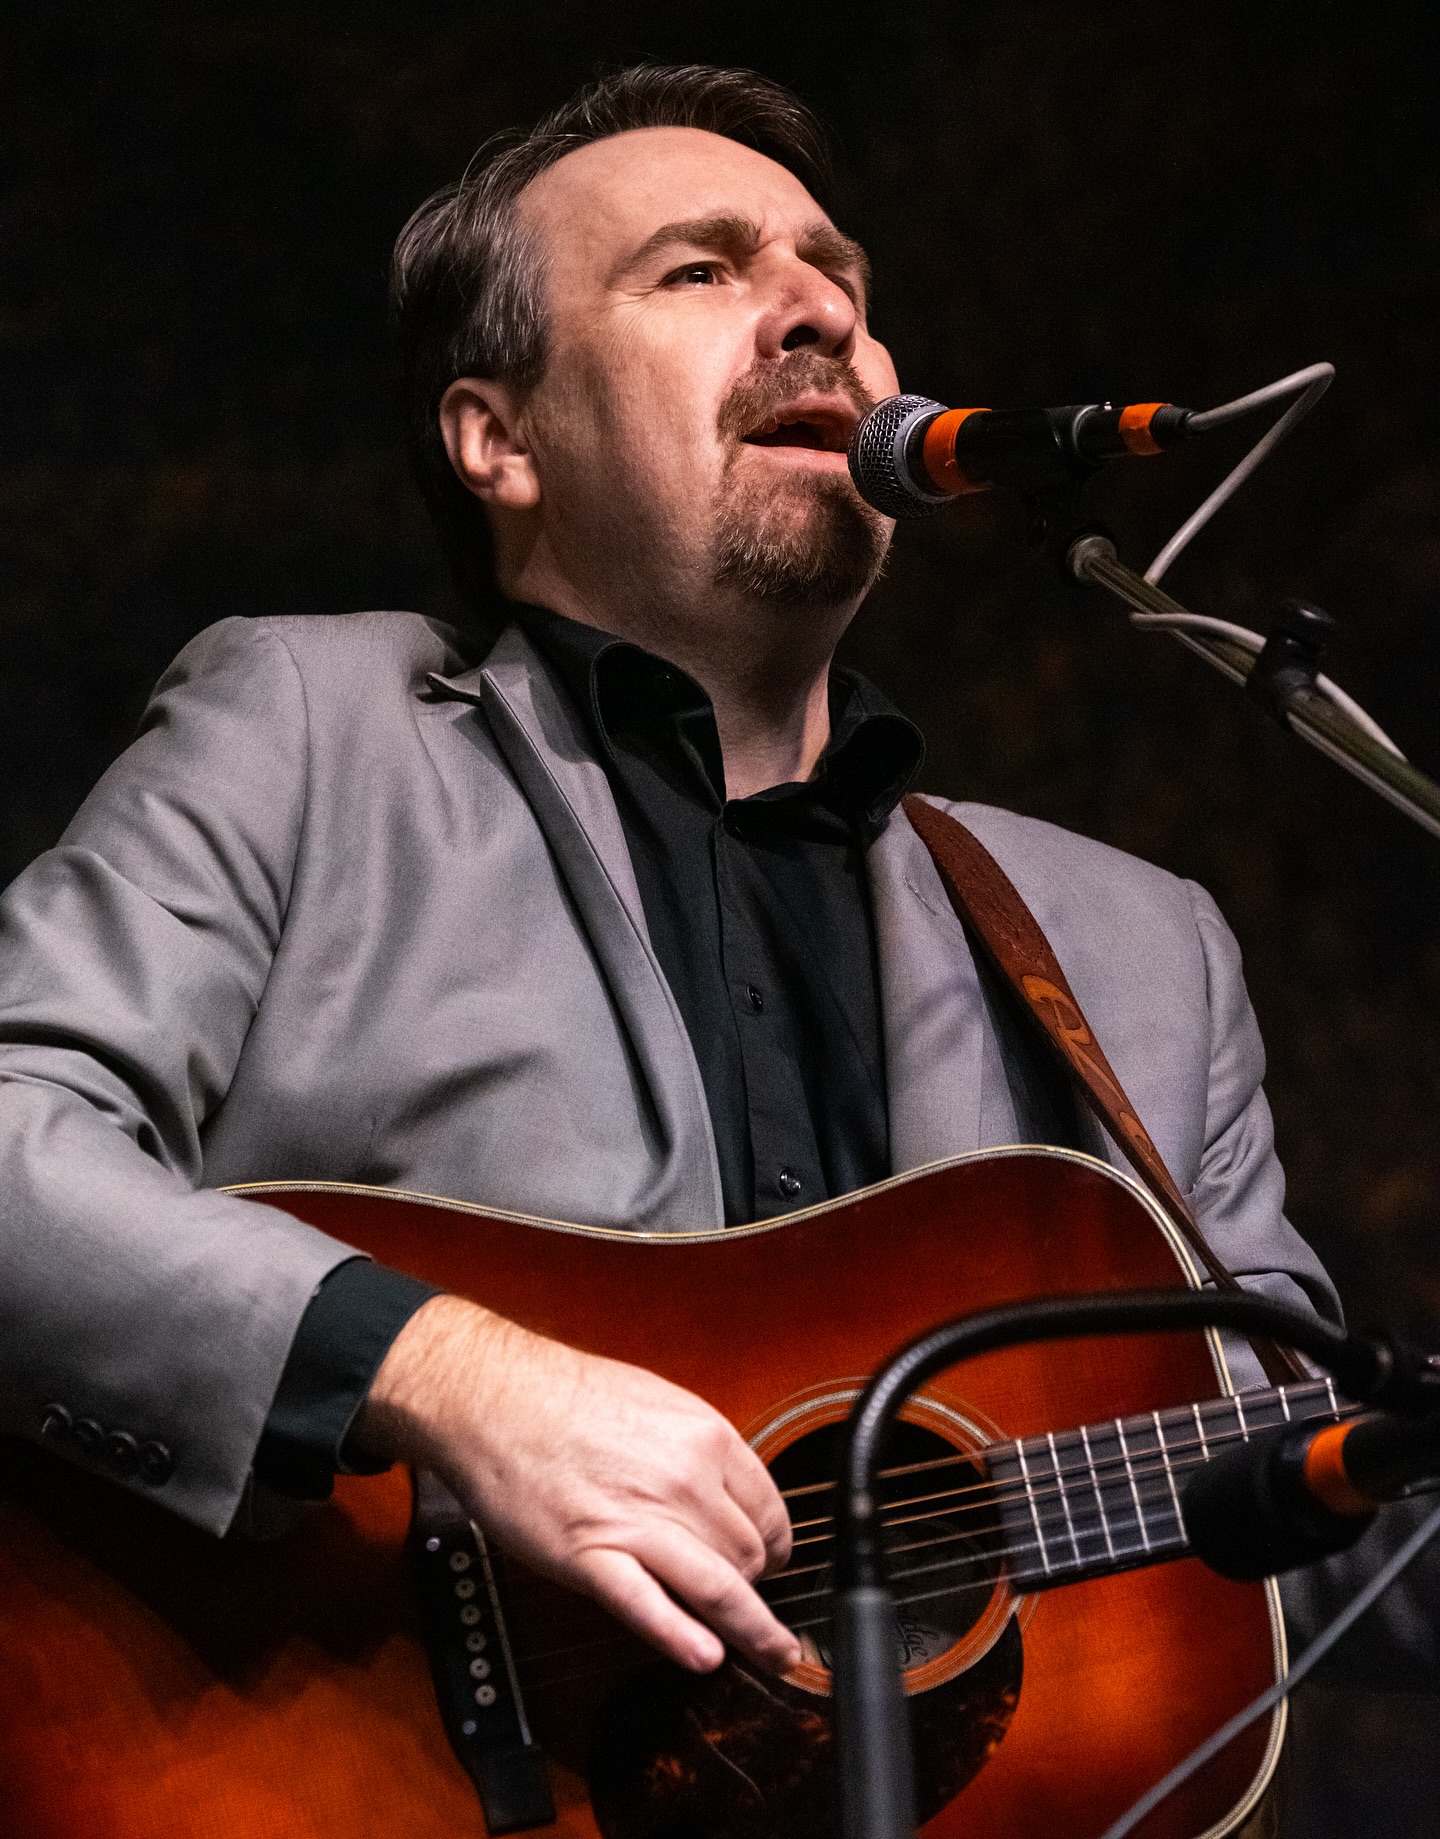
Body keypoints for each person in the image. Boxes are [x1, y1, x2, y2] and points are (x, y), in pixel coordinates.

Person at [0, 64, 1338, 1689]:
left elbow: (1294, 1525)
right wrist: (451, 1373)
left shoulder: (1139, 950)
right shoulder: (309, 730)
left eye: (839, 279)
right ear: (499, 440)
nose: (814, 315)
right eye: (701, 272)